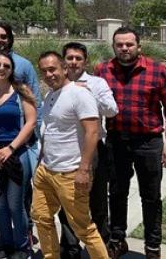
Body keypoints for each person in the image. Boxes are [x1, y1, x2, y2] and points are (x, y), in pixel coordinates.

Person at [95, 27, 166, 259]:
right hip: (116, 141)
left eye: (129, 44)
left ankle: (152, 246)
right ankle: (117, 239)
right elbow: (94, 108)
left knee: (151, 195)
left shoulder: (157, 70)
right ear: (113, 46)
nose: (124, 48)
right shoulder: (102, 70)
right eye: (120, 44)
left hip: (148, 142)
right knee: (116, 192)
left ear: (138, 46)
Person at [32, 52, 108, 259]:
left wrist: (84, 170)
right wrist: (40, 165)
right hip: (46, 171)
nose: (49, 74)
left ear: (64, 69)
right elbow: (49, 132)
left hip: (71, 173)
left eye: (52, 69)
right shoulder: (50, 96)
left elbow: (92, 132)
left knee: (83, 228)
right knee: (41, 218)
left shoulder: (79, 94)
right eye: (44, 71)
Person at [58, 42, 118, 257]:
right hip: (65, 150)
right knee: (67, 205)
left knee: (98, 203)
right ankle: (70, 250)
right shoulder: (58, 84)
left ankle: (100, 249)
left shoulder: (96, 83)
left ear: (85, 61)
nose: (73, 62)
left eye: (78, 58)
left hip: (92, 151)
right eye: (69, 57)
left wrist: (89, 93)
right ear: (63, 60)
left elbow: (112, 110)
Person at [0, 51, 37, 259]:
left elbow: (31, 122)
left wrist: (11, 148)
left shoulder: (21, 91)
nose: (1, 68)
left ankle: (23, 246)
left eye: (6, 65)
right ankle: (7, 245)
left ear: (12, 69)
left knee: (15, 203)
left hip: (17, 153)